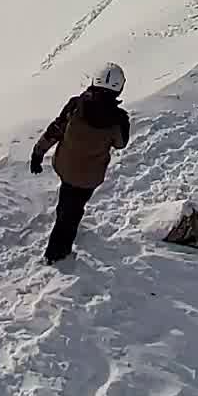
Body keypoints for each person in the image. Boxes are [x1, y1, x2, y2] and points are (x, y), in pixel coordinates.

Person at [29, 64, 132, 263]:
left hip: (65, 167)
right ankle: (56, 255)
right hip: (90, 177)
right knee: (72, 213)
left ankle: (63, 218)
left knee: (68, 200)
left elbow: (55, 130)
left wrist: (38, 152)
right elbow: (120, 144)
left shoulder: (75, 105)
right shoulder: (119, 120)